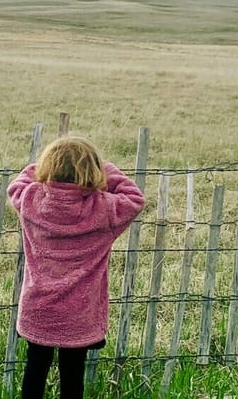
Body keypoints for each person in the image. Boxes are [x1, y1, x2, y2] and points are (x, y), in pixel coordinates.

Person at [8, 135, 145, 399]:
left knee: (35, 369)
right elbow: (134, 197)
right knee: (73, 376)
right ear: (92, 171)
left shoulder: (31, 200)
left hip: (39, 307)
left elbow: (18, 184)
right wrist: (105, 169)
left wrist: (42, 168)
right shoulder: (103, 209)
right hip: (79, 312)